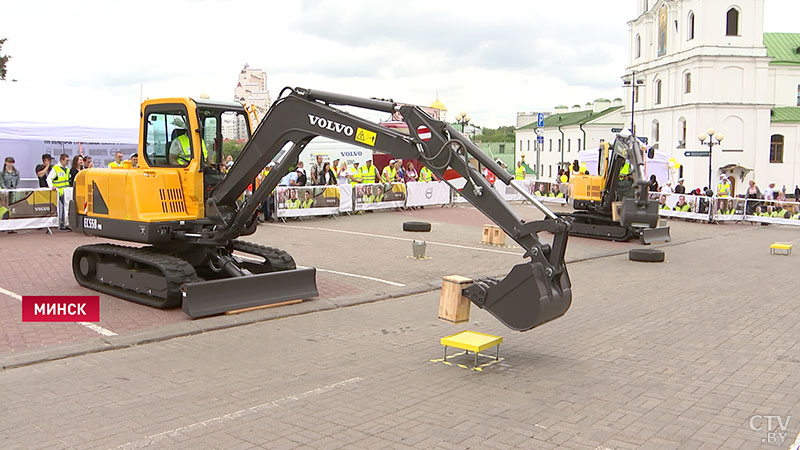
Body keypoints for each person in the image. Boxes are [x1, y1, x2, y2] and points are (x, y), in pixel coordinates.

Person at [47, 153, 71, 231]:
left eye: (68, 160)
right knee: (62, 209)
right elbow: (49, 178)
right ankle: (62, 224)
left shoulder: (67, 169)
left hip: (67, 192)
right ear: (61, 160)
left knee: (66, 208)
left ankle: (65, 223)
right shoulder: (56, 168)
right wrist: (51, 187)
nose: (68, 162)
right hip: (60, 192)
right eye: (66, 160)